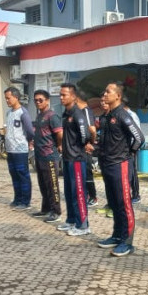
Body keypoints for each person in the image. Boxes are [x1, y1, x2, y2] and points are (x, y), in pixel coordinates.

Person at [97, 83, 145, 256]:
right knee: (114, 202)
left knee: (124, 203)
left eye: (108, 91)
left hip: (120, 165)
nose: (105, 94)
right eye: (104, 91)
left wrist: (129, 153)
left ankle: (127, 242)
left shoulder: (123, 115)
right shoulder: (106, 116)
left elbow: (139, 138)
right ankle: (117, 235)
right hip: (107, 165)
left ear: (118, 96)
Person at [57, 83, 91, 237]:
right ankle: (71, 220)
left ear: (73, 96)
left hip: (76, 158)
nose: (61, 97)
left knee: (79, 192)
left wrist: (78, 148)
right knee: (69, 192)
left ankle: (83, 225)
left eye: (64, 95)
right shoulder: (66, 113)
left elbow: (86, 135)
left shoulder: (78, 114)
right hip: (67, 158)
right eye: (60, 94)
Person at [31, 89, 63, 223]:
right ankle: (45, 209)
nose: (38, 102)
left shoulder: (52, 116)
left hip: (49, 155)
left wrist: (59, 145)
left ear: (47, 101)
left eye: (41, 100)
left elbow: (59, 133)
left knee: (52, 185)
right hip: (39, 156)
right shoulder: (39, 116)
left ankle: (56, 212)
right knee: (43, 184)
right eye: (36, 100)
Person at [2, 87, 35, 211]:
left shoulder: (23, 113)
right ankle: (17, 198)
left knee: (23, 175)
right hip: (10, 150)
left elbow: (30, 131)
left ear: (16, 97)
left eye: (8, 98)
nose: (7, 100)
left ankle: (25, 202)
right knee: (14, 174)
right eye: (5, 98)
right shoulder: (9, 113)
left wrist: (28, 141)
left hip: (20, 150)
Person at [76, 91, 98, 207]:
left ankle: (93, 197)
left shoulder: (86, 111)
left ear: (77, 99)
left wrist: (89, 143)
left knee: (87, 172)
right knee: (82, 173)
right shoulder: (78, 112)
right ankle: (85, 195)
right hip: (79, 148)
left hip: (86, 148)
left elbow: (91, 129)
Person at [122, 94, 142, 205]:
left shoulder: (131, 115)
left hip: (131, 148)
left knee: (132, 172)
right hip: (124, 149)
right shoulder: (122, 114)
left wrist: (133, 149)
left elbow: (138, 135)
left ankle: (136, 194)